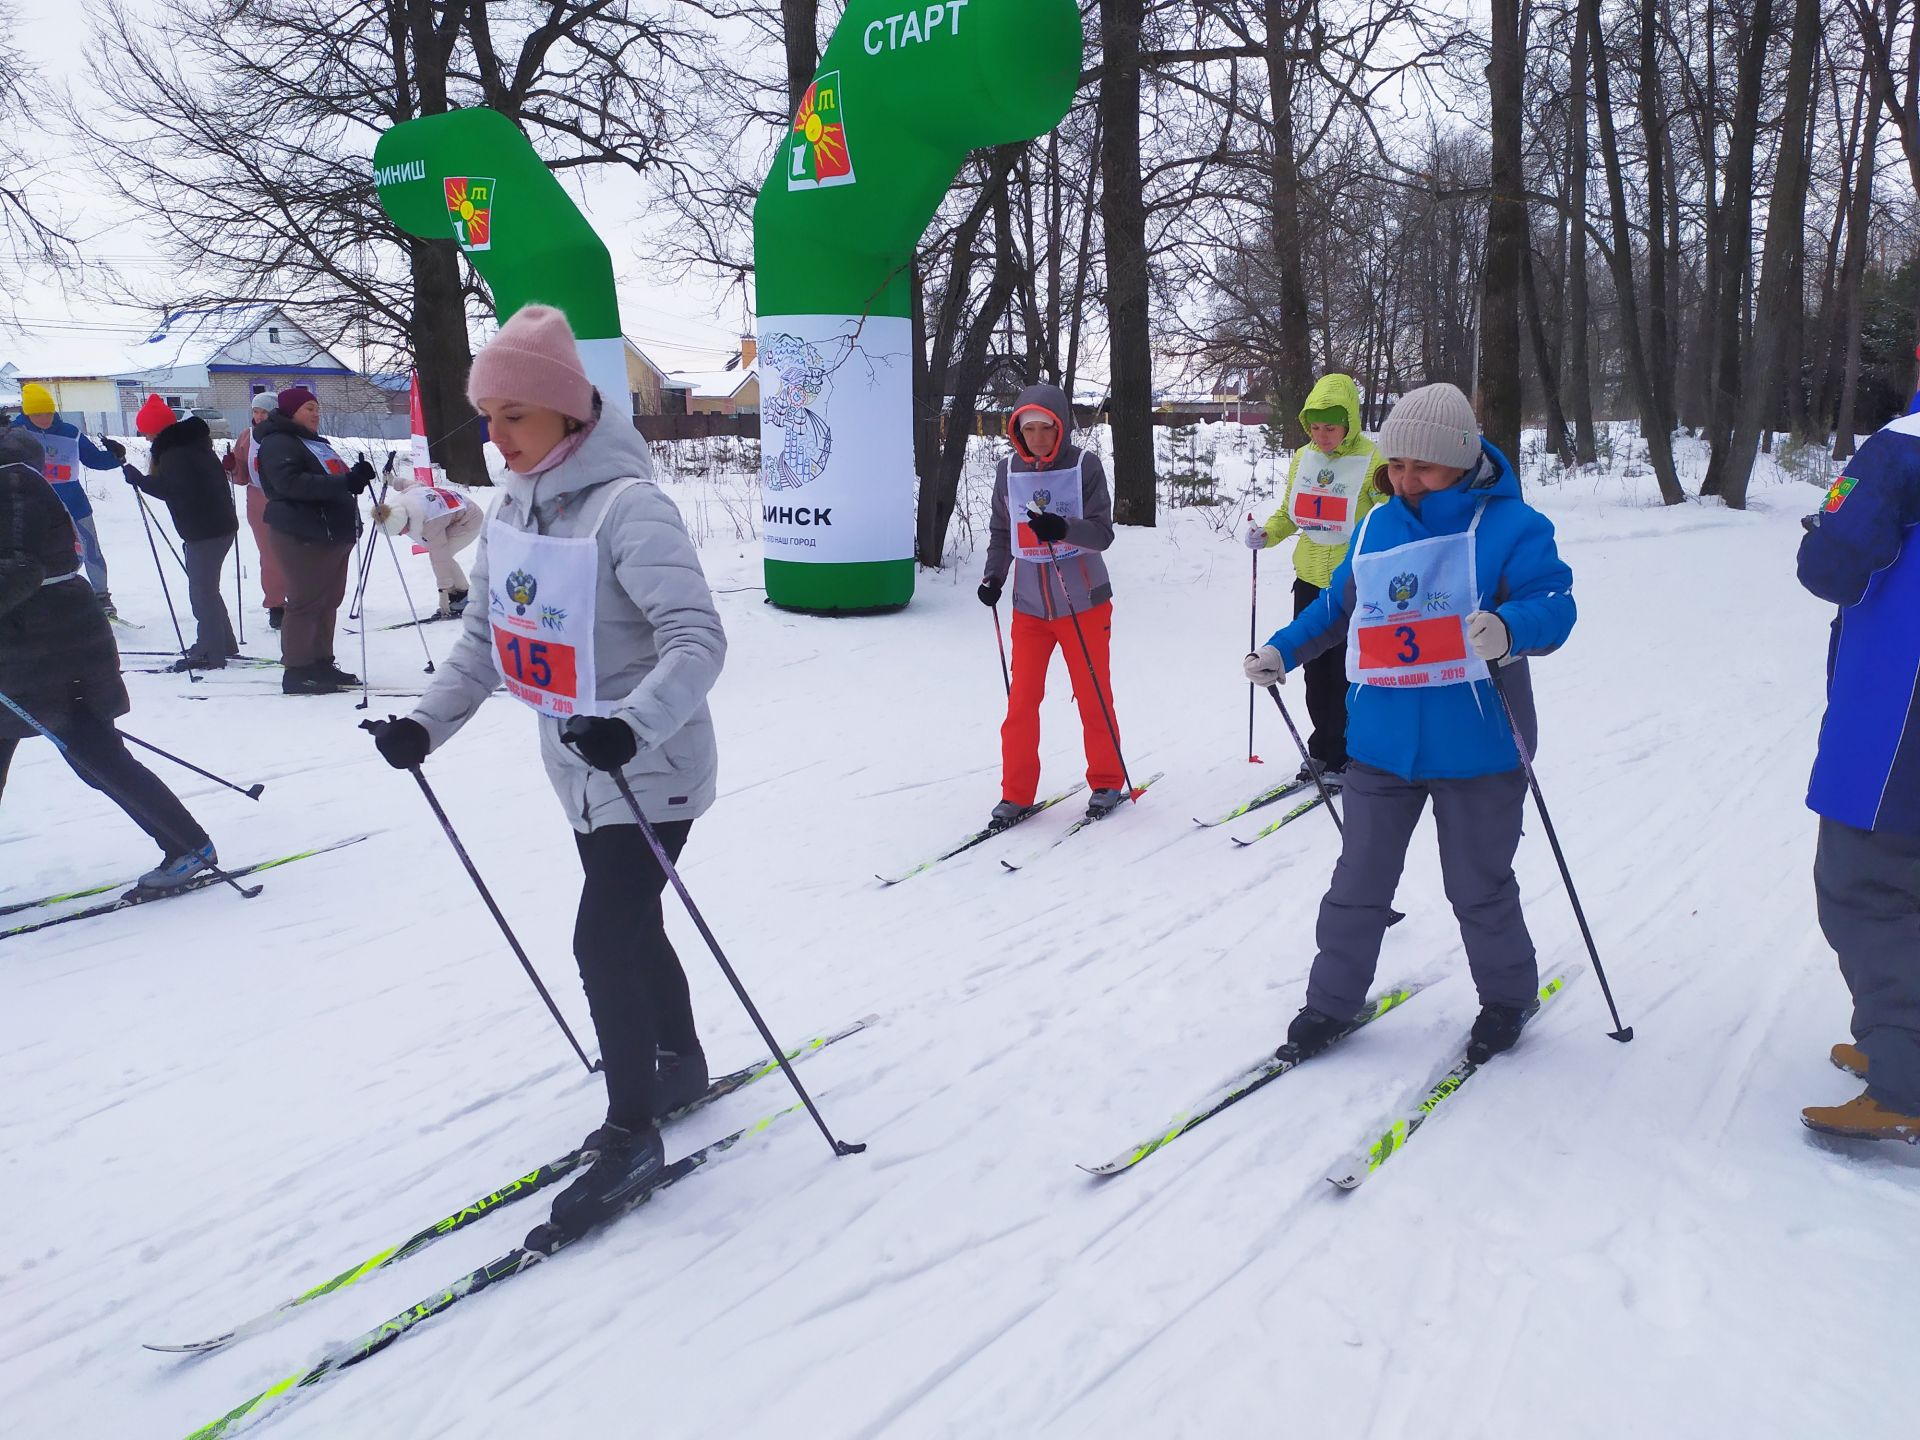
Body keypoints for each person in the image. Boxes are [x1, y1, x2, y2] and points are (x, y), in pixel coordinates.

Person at [365, 304, 727, 1242]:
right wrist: (423, 728)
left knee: (601, 936)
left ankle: (632, 1127)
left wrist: (632, 725)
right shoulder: (519, 508)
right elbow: (487, 640)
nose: (496, 434)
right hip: (576, 772)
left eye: (514, 415)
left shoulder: (628, 509)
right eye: (487, 416)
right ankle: (677, 1059)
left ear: (570, 415)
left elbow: (698, 640)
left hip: (653, 767)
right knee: (631, 925)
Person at [1243, 382, 1576, 1064]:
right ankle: (1330, 1003)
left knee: (1477, 886)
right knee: (1358, 884)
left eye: (1419, 466)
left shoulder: (1513, 527)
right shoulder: (1376, 525)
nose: (1403, 478)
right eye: (1395, 465)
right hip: (1381, 745)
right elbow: (1337, 612)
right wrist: (1283, 650)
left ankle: (1508, 997)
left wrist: (1512, 626)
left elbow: (1556, 603)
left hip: (1479, 746)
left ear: (1458, 459)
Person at [0, 427, 218, 887]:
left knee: (97, 756)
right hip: (24, 649)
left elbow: (20, 568)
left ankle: (187, 845)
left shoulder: (12, 482)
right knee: (94, 755)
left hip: (55, 650)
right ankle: (186, 843)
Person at [1796, 413, 1920, 1142]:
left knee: (1866, 887)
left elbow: (1832, 566)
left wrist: (1824, 525)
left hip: (1901, 709)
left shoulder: (1906, 442)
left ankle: (1905, 1074)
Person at [978, 384, 1126, 825]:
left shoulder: (1084, 466)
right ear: (1017, 431)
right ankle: (1016, 793)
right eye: (1030, 429)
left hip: (1083, 603)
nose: (1039, 438)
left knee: (1092, 695)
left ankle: (1106, 780)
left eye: (1047, 428)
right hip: (1030, 608)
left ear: (1060, 426)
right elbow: (1003, 534)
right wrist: (994, 576)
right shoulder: (1008, 470)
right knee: (1021, 702)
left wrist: (1063, 527)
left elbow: (1102, 534)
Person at [1244, 373, 1388, 784]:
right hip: (1308, 577)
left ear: (1350, 423)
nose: (1322, 435)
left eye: (1331, 426)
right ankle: (1322, 751)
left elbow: (1390, 515)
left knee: (1347, 672)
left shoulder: (1372, 459)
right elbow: (1292, 513)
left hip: (1354, 583)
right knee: (1314, 671)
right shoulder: (1302, 458)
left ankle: (1350, 753)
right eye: (1315, 426)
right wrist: (1267, 534)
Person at [253, 386, 375, 694]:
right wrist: (343, 481)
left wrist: (355, 476)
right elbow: (290, 483)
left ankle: (321, 662)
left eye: (317, 408)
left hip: (332, 532)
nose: (316, 413)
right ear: (291, 411)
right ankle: (298, 670)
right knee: (306, 602)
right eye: (309, 408)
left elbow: (333, 477)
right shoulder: (278, 442)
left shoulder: (314, 443)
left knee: (328, 601)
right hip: (302, 533)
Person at [122, 395, 239, 670]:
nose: (146, 437)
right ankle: (222, 642)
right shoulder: (192, 444)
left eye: (147, 431)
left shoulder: (175, 453)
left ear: (156, 428)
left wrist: (140, 481)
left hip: (205, 530)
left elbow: (173, 489)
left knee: (202, 593)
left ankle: (210, 650)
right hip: (217, 526)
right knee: (207, 589)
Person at [9, 381, 123, 615]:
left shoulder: (70, 433)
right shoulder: (15, 434)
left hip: (74, 502)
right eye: (38, 413)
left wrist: (116, 456)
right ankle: (39, 596)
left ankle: (102, 597)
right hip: (35, 506)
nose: (44, 418)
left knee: (90, 549)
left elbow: (94, 460)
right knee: (38, 553)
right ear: (27, 413)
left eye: (48, 412)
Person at [371, 465, 483, 617]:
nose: (402, 535)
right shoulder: (405, 500)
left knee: (443, 555)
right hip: (455, 510)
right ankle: (460, 593)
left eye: (399, 532)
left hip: (470, 520)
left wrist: (443, 592)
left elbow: (439, 557)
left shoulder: (430, 521)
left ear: (404, 522)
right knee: (441, 554)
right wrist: (393, 481)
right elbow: (414, 485)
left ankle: (464, 596)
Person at [228, 396, 288, 631]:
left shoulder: (286, 434)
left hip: (287, 497)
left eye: (265, 411)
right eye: (256, 411)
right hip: (259, 499)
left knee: (296, 549)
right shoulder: (246, 436)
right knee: (270, 554)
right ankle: (276, 604)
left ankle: (301, 599)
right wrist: (232, 467)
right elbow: (241, 475)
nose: (260, 416)